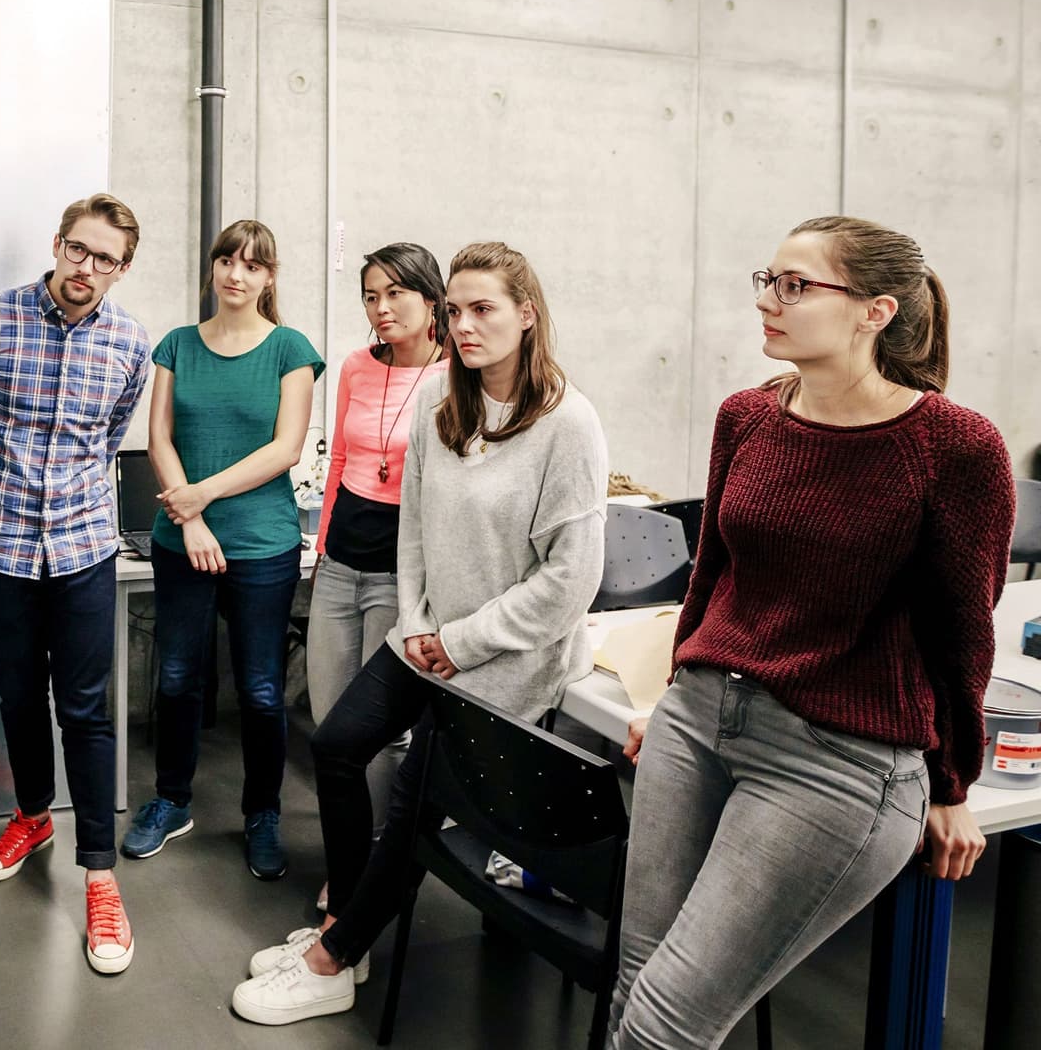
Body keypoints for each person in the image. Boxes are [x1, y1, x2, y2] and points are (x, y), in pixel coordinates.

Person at [608, 216, 1014, 1048]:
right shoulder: (747, 418)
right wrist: (676, 685)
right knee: (633, 988)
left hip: (836, 765)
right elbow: (714, 575)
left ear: (875, 311)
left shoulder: (954, 447)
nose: (768, 300)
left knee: (661, 1027)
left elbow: (962, 638)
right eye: (768, 279)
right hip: (697, 724)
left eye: (796, 285)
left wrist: (950, 783)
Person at [231, 240, 608, 1025]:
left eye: (483, 310)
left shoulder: (568, 424)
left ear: (527, 314)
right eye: (456, 312)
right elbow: (417, 533)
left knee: (412, 806)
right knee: (335, 748)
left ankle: (333, 960)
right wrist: (418, 624)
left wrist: (461, 643)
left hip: (505, 661)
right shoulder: (444, 402)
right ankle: (345, 926)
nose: (464, 326)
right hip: (427, 639)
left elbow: (569, 582)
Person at [0, 193, 150, 975]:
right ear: (58, 244)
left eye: (108, 260)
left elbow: (112, 431)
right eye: (80, 251)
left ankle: (99, 877)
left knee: (88, 709)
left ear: (123, 268)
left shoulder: (130, 342)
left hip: (85, 547)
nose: (88, 270)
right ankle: (31, 816)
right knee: (19, 695)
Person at [120, 219, 323, 881]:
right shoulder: (178, 345)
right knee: (177, 678)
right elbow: (161, 439)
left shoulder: (290, 349)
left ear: (269, 277)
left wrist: (198, 497)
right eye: (226, 260)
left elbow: (285, 450)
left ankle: (262, 811)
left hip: (263, 545)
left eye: (252, 265)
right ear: (213, 268)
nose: (236, 274)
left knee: (262, 690)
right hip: (183, 543)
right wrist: (192, 519)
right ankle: (172, 801)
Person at [305, 243, 450, 911]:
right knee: (330, 722)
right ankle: (349, 858)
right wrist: (323, 549)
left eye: (394, 293)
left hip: (402, 573)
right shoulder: (357, 368)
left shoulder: (457, 377)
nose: (381, 308)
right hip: (341, 564)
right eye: (369, 296)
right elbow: (337, 462)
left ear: (430, 299)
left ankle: (377, 866)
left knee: (384, 732)